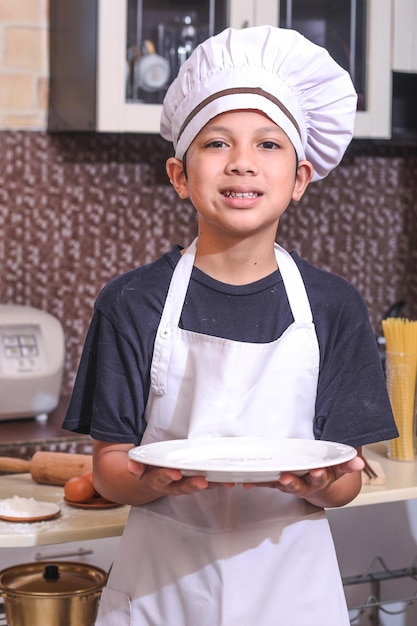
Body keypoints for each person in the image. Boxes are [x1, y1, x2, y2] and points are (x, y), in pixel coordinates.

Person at [63, 25, 398, 626]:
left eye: (268, 145)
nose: (243, 163)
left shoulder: (335, 306)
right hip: (162, 590)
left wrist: (320, 483)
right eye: (217, 143)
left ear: (300, 178)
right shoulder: (131, 301)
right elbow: (110, 468)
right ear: (179, 175)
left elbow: (347, 478)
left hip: (292, 590)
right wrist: (157, 480)